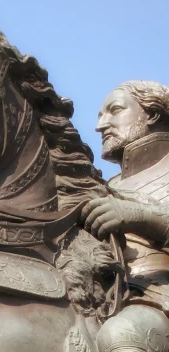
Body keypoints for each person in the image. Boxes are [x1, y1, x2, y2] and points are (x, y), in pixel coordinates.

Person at [82, 80, 169, 352]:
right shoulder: (108, 186)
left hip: (157, 292)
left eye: (114, 110)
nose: (100, 125)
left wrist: (139, 215)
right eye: (99, 116)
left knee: (123, 335)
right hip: (103, 294)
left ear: (152, 115)